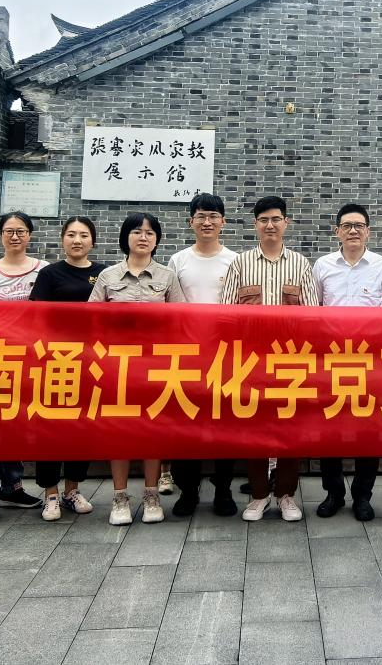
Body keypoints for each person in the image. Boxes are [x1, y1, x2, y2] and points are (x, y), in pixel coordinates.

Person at [222, 195, 319, 522]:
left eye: (276, 219)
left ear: (286, 223)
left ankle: (286, 495)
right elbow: (227, 315)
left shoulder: (301, 264)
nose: (270, 225)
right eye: (264, 220)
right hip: (251, 361)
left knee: (290, 429)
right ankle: (259, 495)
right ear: (255, 225)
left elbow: (312, 316)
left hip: (291, 361)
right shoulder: (240, 263)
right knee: (255, 428)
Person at [89, 212, 186, 525]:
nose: (143, 237)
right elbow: (89, 321)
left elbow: (182, 319)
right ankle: (120, 497)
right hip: (116, 366)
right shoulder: (107, 276)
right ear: (125, 237)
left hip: (156, 365)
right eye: (136, 231)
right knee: (118, 430)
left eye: (149, 233)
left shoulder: (167, 276)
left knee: (152, 429)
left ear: (156, 240)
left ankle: (151, 494)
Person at [313, 203, 382, 522]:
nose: (353, 231)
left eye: (359, 226)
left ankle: (363, 495)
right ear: (337, 231)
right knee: (329, 430)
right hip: (331, 359)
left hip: (370, 361)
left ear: (368, 232)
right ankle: (333, 493)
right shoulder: (322, 265)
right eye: (347, 225)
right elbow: (313, 309)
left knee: (368, 430)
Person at [0, 211, 48, 524]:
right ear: (1, 235)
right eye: (9, 231)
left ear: (30, 235)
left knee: (16, 422)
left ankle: (13, 487)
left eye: (21, 231)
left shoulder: (43, 270)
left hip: (31, 359)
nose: (15, 236)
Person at [29, 216, 106, 522]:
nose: (77, 240)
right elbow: (37, 318)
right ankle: (50, 494)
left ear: (93, 241)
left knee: (82, 426)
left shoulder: (103, 274)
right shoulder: (50, 274)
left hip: (90, 362)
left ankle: (72, 490)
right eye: (71, 234)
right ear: (62, 239)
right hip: (55, 361)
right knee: (50, 426)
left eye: (84, 235)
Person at [167, 192, 238, 518]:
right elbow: (172, 307)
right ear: (191, 221)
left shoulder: (235, 261)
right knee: (186, 424)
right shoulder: (178, 261)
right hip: (187, 355)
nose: (207, 222)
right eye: (201, 216)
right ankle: (188, 490)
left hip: (225, 355)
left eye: (213, 216)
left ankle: (223, 489)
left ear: (223, 222)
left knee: (225, 425)